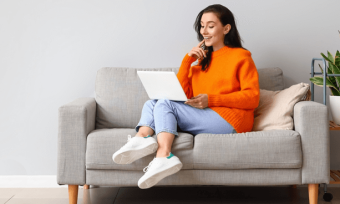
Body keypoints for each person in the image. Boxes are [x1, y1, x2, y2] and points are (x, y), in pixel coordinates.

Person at [112, 4, 260, 189]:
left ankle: (164, 155)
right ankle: (142, 137)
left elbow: (252, 97)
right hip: (205, 114)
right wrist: (187, 61)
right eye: (202, 25)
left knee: (165, 104)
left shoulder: (241, 57)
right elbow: (182, 95)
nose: (204, 31)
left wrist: (211, 99)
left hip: (232, 120)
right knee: (153, 103)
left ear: (226, 28)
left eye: (211, 26)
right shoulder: (201, 62)